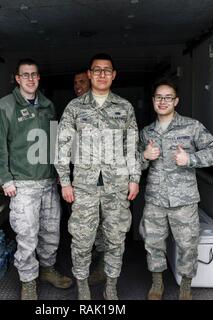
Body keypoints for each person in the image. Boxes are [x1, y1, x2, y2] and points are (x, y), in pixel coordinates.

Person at [0, 58, 73, 300]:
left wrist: (58, 172)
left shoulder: (48, 105)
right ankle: (28, 281)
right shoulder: (5, 107)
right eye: (25, 75)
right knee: (26, 234)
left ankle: (46, 270)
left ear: (39, 78)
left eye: (34, 74)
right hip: (23, 184)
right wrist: (5, 179)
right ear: (17, 78)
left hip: (48, 182)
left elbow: (56, 142)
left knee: (51, 231)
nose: (31, 79)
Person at [56, 53, 141, 300]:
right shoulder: (75, 107)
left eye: (107, 70)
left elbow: (132, 146)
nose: (102, 74)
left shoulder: (124, 107)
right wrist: (65, 182)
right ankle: (83, 287)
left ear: (113, 75)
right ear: (90, 74)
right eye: (97, 70)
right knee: (82, 239)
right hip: (83, 186)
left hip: (118, 186)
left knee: (116, 239)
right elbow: (62, 145)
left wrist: (134, 178)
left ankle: (111, 286)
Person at [138, 80, 213, 300]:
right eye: (158, 97)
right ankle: (157, 284)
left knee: (188, 245)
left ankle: (185, 286)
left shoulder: (192, 126)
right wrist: (145, 157)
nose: (162, 101)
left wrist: (190, 159)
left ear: (176, 101)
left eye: (168, 97)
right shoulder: (146, 132)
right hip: (155, 199)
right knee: (153, 243)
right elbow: (133, 163)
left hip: (184, 200)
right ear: (153, 101)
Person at [72, 70, 106, 286]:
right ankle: (91, 256)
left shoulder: (108, 107)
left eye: (82, 81)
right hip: (81, 178)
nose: (78, 86)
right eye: (75, 83)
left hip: (106, 178)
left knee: (104, 222)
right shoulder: (73, 108)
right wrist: (63, 175)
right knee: (82, 223)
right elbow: (62, 144)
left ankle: (103, 263)